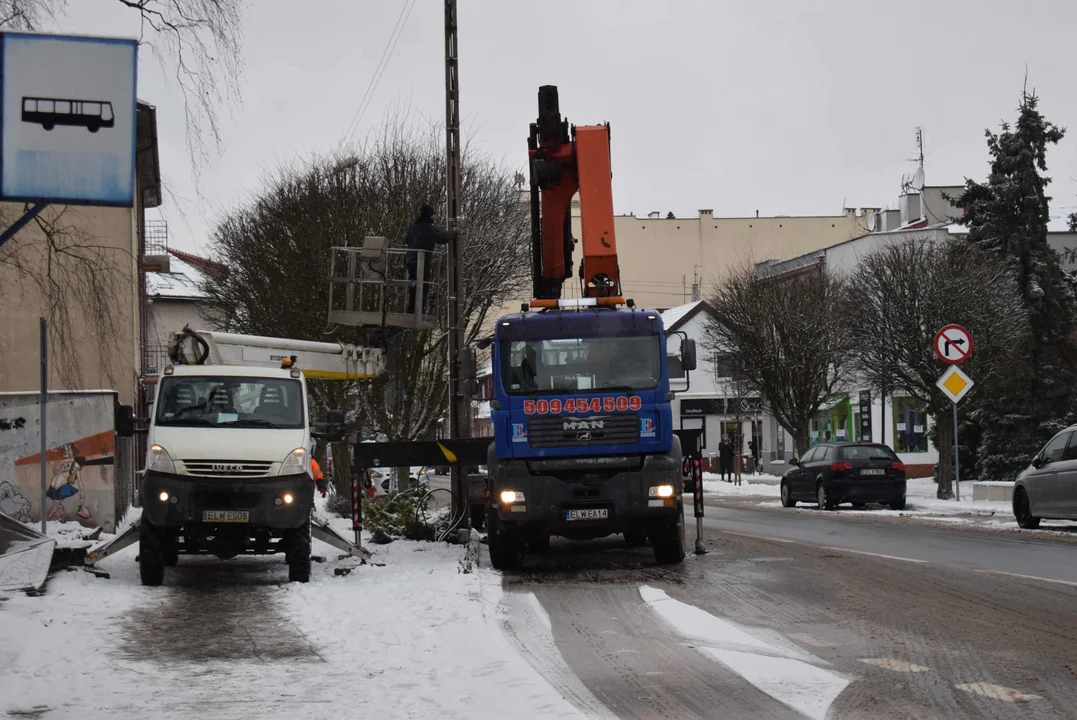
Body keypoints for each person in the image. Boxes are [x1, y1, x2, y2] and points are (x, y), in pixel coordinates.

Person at [404, 204, 455, 315]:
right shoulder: (428, 228)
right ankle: (419, 310)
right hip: (422, 261)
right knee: (423, 285)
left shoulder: (413, 227)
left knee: (414, 286)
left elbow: (407, 240)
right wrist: (454, 233)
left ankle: (411, 309)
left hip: (410, 260)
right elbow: (441, 238)